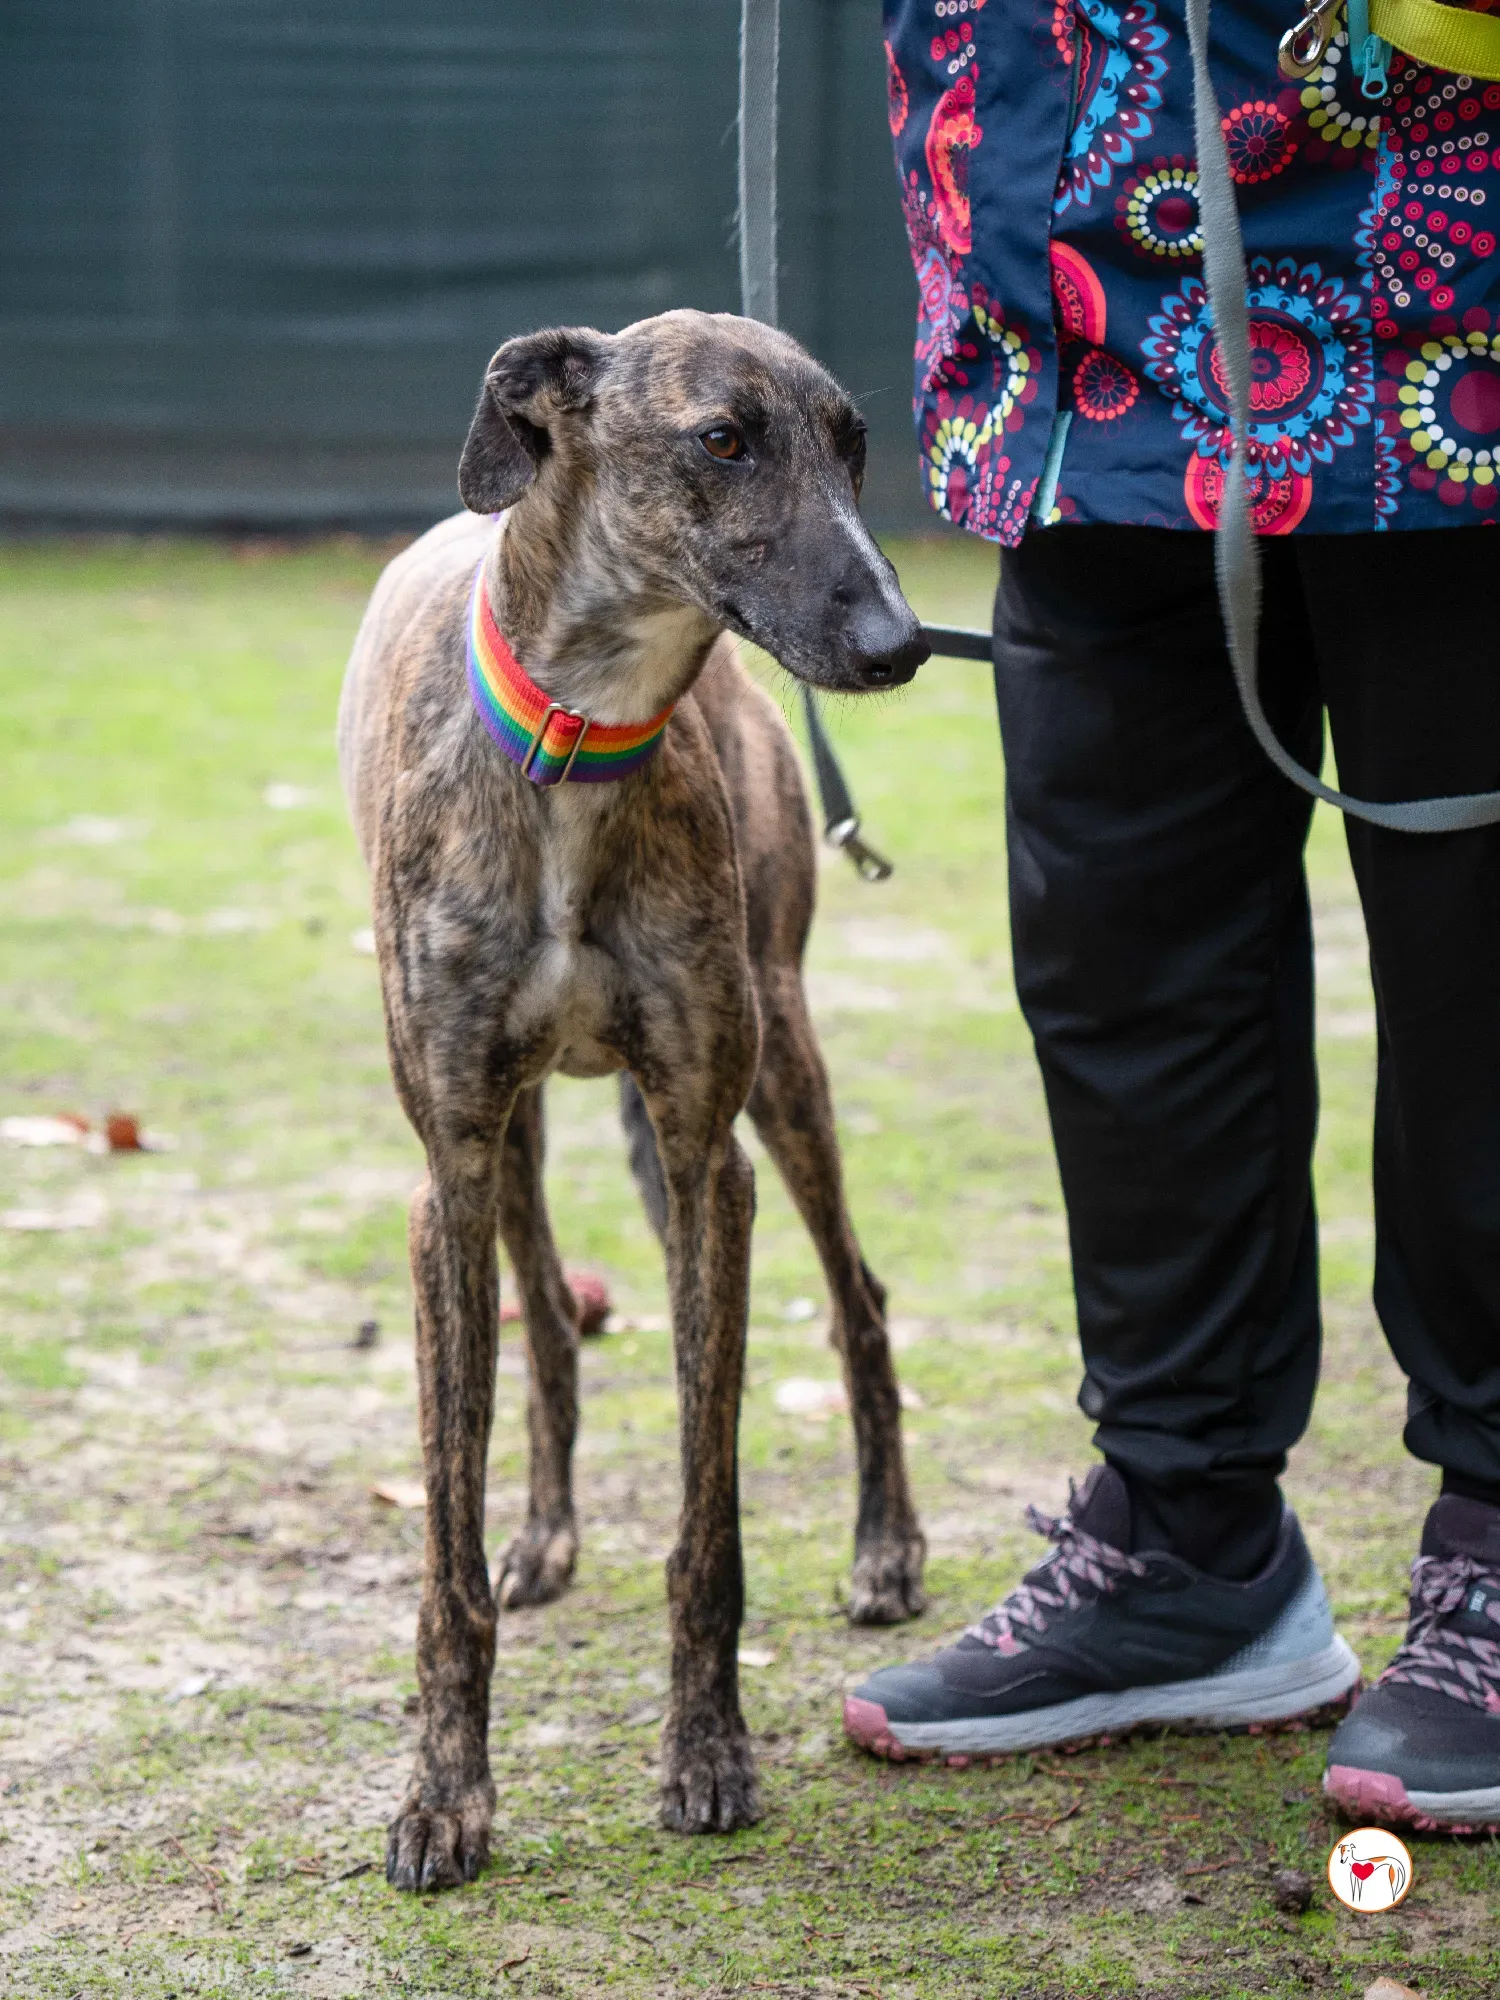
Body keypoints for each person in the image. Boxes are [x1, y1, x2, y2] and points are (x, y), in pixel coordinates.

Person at [846, 0, 1500, 1832]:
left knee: (1478, 956)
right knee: (1124, 959)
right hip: (1068, 303)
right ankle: (1189, 1534)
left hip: (1441, 279)